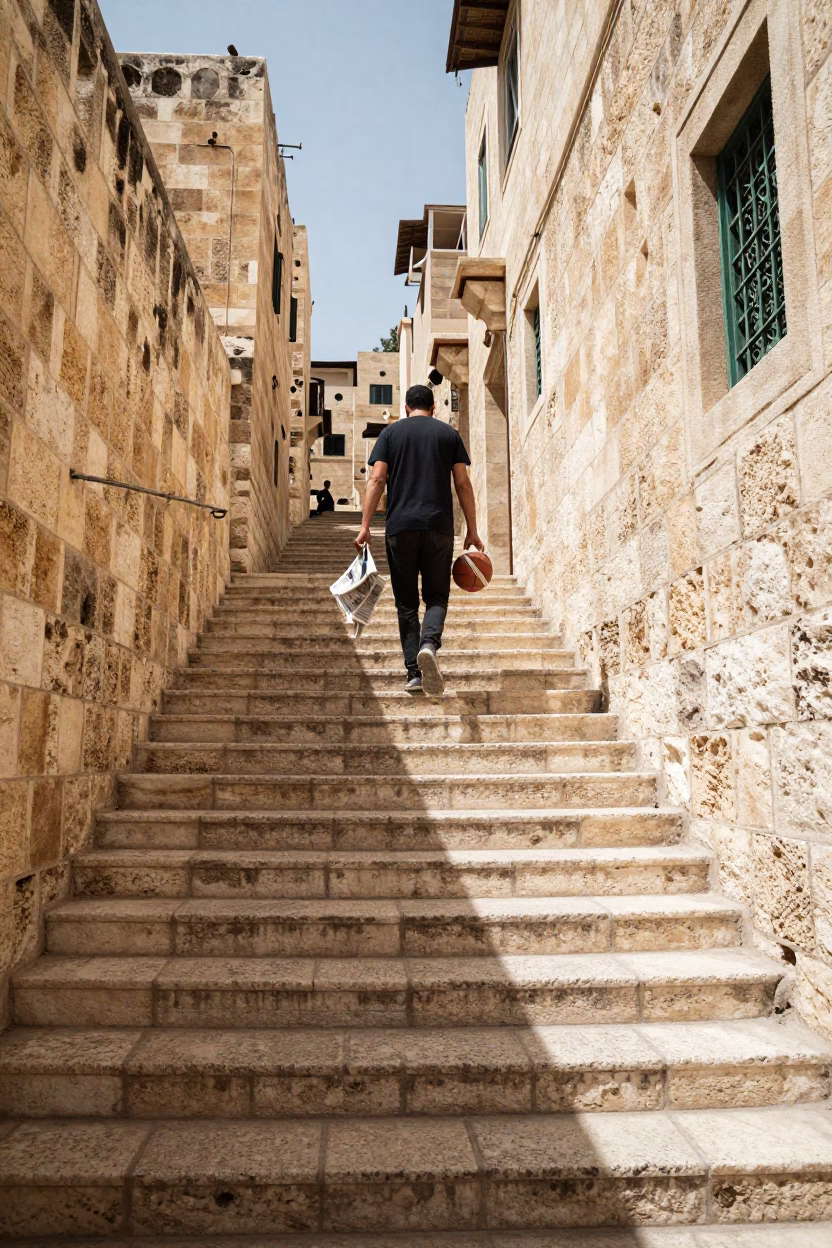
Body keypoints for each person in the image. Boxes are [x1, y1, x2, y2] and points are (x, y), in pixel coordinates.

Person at [355, 383, 483, 696]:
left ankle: (414, 673)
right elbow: (463, 484)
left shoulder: (389, 435)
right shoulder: (448, 435)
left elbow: (376, 479)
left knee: (406, 602)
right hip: (438, 526)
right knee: (437, 596)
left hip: (400, 528)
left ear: (405, 407)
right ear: (434, 407)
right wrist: (472, 528)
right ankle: (429, 644)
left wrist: (365, 525)